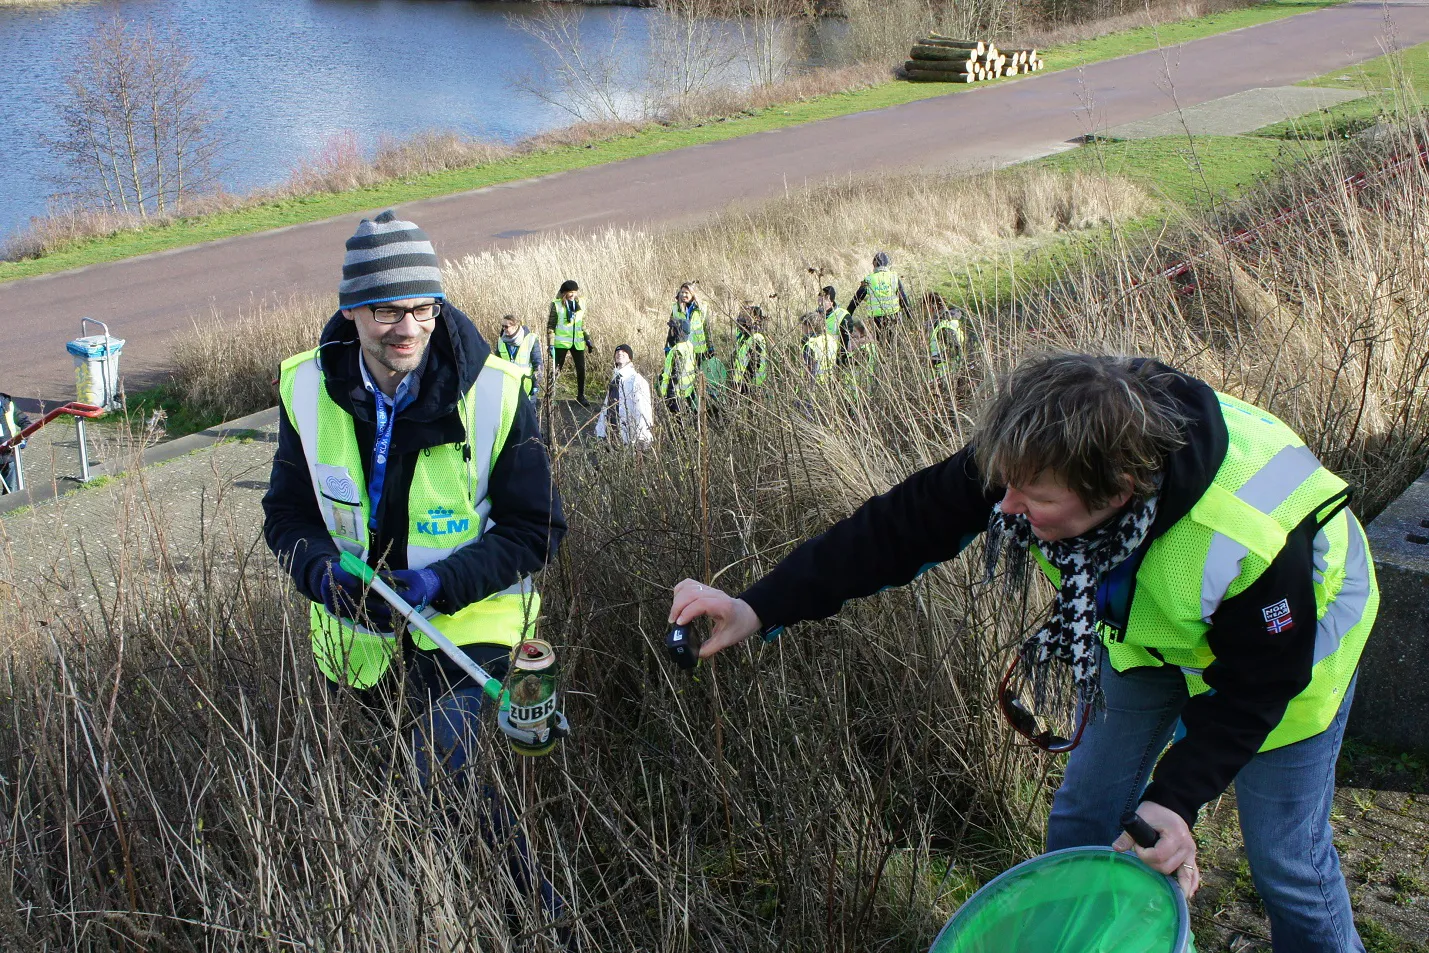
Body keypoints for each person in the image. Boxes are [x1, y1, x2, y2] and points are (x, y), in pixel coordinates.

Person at [670, 353, 1377, 952]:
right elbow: (898, 528)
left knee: (1283, 857)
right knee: (1081, 822)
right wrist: (756, 605)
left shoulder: (1244, 532)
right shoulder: (1041, 452)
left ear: (1117, 492)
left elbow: (1258, 684)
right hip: (1153, 636)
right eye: (1004, 486)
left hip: (1296, 648)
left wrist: (1174, 800)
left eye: (1030, 498)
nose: (1003, 507)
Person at [262, 210, 568, 919]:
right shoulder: (304, 387)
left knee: (442, 769)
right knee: (389, 797)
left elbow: (538, 526)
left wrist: (438, 582)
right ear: (351, 309)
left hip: (471, 630)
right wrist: (319, 574)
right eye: (385, 308)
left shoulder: (495, 388)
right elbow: (286, 515)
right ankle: (427, 914)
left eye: (421, 306)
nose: (406, 325)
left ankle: (543, 916)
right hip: (355, 643)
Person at [595, 344, 654, 448]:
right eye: (617, 352)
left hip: (630, 437)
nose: (619, 353)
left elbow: (643, 410)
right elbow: (606, 406)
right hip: (612, 433)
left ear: (630, 358)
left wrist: (642, 437)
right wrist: (601, 430)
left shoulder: (636, 380)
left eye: (624, 352)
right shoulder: (615, 379)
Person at [548, 279, 595, 406]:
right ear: (564, 293)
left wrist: (587, 339)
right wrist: (550, 344)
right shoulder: (557, 305)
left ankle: (581, 395)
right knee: (556, 370)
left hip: (577, 343)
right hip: (561, 343)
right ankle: (550, 396)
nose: (573, 295)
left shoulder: (580, 304)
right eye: (570, 292)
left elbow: (582, 324)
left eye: (574, 292)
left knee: (581, 369)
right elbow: (551, 326)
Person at [846, 251, 911, 327]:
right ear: (887, 264)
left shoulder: (869, 279)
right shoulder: (894, 277)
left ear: (874, 264)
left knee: (879, 339)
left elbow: (856, 300)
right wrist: (909, 316)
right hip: (894, 317)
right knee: (894, 338)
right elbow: (903, 299)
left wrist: (847, 316)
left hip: (876, 320)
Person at [497, 314, 543, 399]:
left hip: (526, 385)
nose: (503, 329)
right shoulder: (501, 341)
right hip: (508, 386)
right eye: (502, 326)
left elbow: (538, 364)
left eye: (506, 326)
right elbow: (497, 363)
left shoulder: (530, 339)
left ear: (514, 326)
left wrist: (536, 384)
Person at [659, 317, 698, 419]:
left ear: (678, 332)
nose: (671, 332)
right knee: (684, 422)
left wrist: (670, 393)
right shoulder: (689, 346)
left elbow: (676, 373)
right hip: (686, 392)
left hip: (675, 395)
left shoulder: (678, 349)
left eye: (673, 329)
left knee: (677, 424)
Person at [667, 282, 714, 365]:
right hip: (682, 349)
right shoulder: (675, 308)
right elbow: (671, 330)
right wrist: (667, 347)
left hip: (698, 351)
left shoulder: (701, 308)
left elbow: (706, 328)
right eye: (682, 292)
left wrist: (710, 347)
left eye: (686, 293)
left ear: (693, 294)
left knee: (698, 375)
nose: (683, 295)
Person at [924, 292, 968, 378]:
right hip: (948, 372)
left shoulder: (943, 326)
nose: (923, 311)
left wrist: (934, 360)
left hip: (947, 373)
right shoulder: (948, 321)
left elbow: (955, 350)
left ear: (930, 306)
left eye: (924, 307)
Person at [732, 303, 770, 395]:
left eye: (747, 317)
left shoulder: (757, 337)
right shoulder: (745, 336)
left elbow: (754, 364)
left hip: (752, 386)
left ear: (756, 318)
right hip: (742, 384)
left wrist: (743, 385)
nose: (742, 320)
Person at [0, 392, 32, 494]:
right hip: (8, 453)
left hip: (9, 454)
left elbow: (26, 423)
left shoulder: (7, 403)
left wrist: (22, 439)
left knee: (10, 492)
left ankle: (8, 509)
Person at [801, 311, 840, 380]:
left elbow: (808, 370)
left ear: (809, 326)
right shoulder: (831, 340)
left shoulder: (811, 344)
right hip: (829, 381)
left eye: (803, 326)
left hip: (815, 383)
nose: (801, 329)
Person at [817, 285, 851, 359]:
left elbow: (846, 342)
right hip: (819, 356)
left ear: (831, 301)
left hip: (835, 357)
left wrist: (840, 359)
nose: (820, 304)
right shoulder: (815, 315)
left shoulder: (843, 315)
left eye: (823, 300)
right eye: (819, 300)